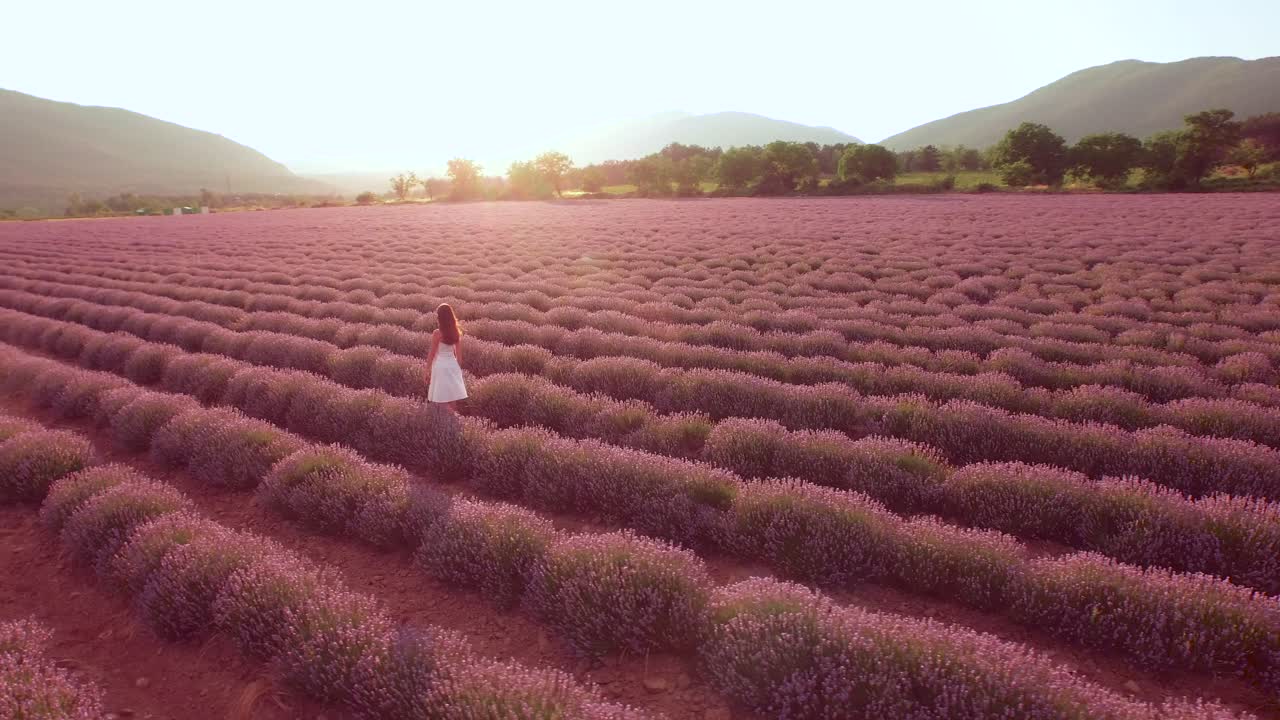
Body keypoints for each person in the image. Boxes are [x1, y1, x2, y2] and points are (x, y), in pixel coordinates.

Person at [426, 303, 467, 410]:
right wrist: (456, 370)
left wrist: (427, 370)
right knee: (452, 398)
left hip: (440, 366)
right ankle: (453, 421)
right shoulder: (456, 333)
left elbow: (432, 354)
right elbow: (459, 356)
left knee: (440, 399)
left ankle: (448, 420)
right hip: (452, 365)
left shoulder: (437, 334)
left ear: (440, 318)